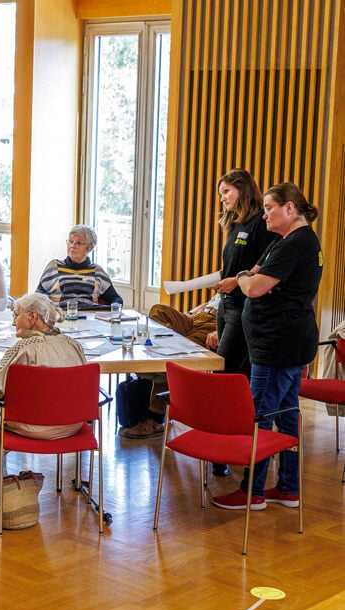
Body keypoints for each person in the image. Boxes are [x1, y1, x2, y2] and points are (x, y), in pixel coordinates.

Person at [212, 183, 323, 511]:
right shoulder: (286, 241)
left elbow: (254, 285)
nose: (264, 215)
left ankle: (252, 491)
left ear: (290, 209)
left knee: (259, 416)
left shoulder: (296, 244)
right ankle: (288, 487)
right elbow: (254, 272)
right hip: (282, 344)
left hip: (278, 347)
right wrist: (249, 278)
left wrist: (246, 282)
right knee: (286, 417)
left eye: (269, 208)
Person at [0, 293, 86, 485]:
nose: (13, 323)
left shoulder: (25, 348)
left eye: (16, 315)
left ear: (33, 316)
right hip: (72, 425)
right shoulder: (75, 345)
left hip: (33, 427)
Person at [119, 301, 219, 441]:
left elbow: (237, 316)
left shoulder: (243, 286)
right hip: (197, 317)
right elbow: (210, 302)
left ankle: (156, 419)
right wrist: (190, 313)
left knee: (179, 355)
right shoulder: (226, 285)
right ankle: (156, 359)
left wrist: (218, 331)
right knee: (158, 309)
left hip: (214, 324)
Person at [208, 169, 273, 376]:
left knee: (223, 371)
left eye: (226, 191)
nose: (222, 198)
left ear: (242, 189)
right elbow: (234, 264)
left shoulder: (261, 224)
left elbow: (265, 266)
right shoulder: (236, 224)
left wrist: (235, 282)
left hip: (243, 307)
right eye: (220, 194)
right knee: (231, 371)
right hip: (225, 305)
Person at [35, 224, 121, 309]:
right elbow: (38, 295)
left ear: (89, 248)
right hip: (60, 317)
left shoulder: (97, 271)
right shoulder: (54, 266)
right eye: (71, 241)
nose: (72, 246)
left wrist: (113, 310)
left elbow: (116, 299)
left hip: (88, 318)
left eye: (79, 243)